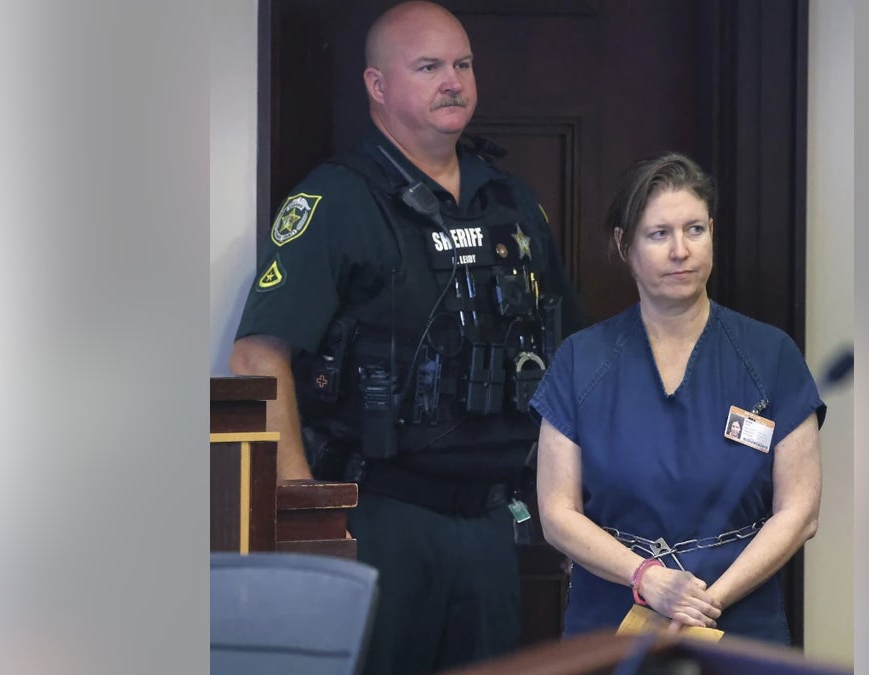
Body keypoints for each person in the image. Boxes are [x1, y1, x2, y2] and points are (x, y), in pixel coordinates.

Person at [228, 2, 585, 672]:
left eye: (463, 65)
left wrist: (573, 503)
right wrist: (306, 518)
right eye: (429, 67)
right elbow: (256, 356)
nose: (453, 81)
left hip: (491, 523)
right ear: (377, 85)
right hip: (379, 518)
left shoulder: (510, 202)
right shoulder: (337, 202)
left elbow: (570, 354)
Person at [531, 152, 824, 644]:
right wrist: (647, 579)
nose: (680, 251)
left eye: (695, 230)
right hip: (612, 620)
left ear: (712, 232)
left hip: (739, 620)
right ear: (624, 245)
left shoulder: (770, 354)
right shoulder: (581, 360)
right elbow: (557, 514)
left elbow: (800, 512)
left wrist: (704, 602)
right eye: (659, 234)